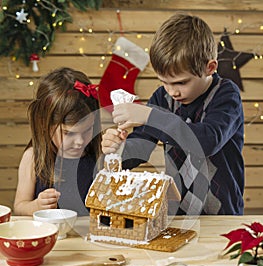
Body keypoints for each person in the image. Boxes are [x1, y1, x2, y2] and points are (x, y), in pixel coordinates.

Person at [101, 14, 244, 215]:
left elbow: (207, 141)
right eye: (164, 82)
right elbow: (141, 146)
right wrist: (118, 149)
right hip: (177, 212)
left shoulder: (226, 95)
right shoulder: (162, 98)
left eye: (181, 83)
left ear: (209, 68)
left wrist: (150, 116)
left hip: (221, 212)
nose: (172, 92)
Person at [14, 67, 102, 216]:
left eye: (87, 130)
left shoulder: (98, 153)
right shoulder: (33, 158)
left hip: (86, 237)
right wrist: (37, 205)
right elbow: (19, 207)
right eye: (69, 133)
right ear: (44, 124)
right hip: (51, 238)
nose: (80, 141)